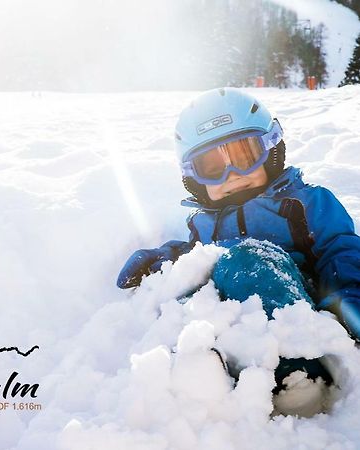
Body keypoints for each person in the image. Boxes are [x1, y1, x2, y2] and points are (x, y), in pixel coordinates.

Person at [117, 87, 360, 344]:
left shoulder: (305, 203)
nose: (232, 174)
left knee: (248, 259)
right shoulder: (204, 222)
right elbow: (197, 255)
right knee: (190, 296)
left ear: (270, 151)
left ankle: (297, 373)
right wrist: (166, 259)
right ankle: (196, 364)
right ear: (194, 178)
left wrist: (347, 298)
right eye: (212, 168)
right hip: (233, 324)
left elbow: (340, 251)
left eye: (244, 157)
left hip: (295, 318)